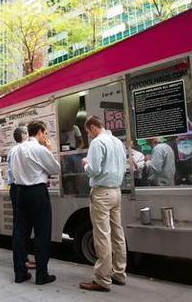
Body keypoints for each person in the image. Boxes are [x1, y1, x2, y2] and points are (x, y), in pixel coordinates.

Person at [79, 116, 127, 292]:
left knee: (102, 236)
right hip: (117, 191)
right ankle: (119, 273)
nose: (88, 135)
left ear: (92, 127)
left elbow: (94, 170)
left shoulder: (97, 143)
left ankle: (102, 279)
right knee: (117, 234)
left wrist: (85, 164)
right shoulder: (117, 142)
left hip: (101, 193)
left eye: (87, 132)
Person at [10, 120, 60, 285]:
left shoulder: (16, 150)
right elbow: (55, 169)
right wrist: (49, 150)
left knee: (20, 233)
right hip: (37, 192)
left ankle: (20, 273)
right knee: (42, 232)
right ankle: (41, 274)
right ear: (39, 131)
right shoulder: (40, 149)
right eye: (45, 133)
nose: (45, 136)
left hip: (20, 192)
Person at [7, 126, 36, 270]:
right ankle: (22, 259)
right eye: (28, 133)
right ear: (24, 135)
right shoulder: (19, 150)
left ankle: (22, 258)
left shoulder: (13, 150)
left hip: (15, 187)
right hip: (18, 187)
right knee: (21, 226)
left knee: (20, 225)